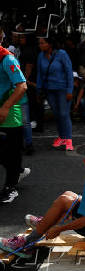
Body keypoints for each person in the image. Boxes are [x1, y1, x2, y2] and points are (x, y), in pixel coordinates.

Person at [0, 140, 85, 255]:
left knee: (65, 203)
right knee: (69, 195)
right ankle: (46, 222)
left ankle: (26, 243)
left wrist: (59, 230)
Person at [0, 29, 28, 204]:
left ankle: (11, 188)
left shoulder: (7, 59)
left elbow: (22, 86)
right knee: (6, 154)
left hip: (9, 115)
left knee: (10, 153)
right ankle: (17, 170)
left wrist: (5, 107)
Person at [36, 37, 74, 151]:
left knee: (63, 113)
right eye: (39, 43)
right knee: (57, 114)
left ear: (49, 44)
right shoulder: (40, 56)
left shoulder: (61, 54)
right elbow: (39, 75)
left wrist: (69, 90)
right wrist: (38, 90)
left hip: (62, 89)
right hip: (49, 90)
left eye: (42, 43)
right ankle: (62, 136)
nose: (40, 45)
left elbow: (69, 72)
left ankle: (68, 139)